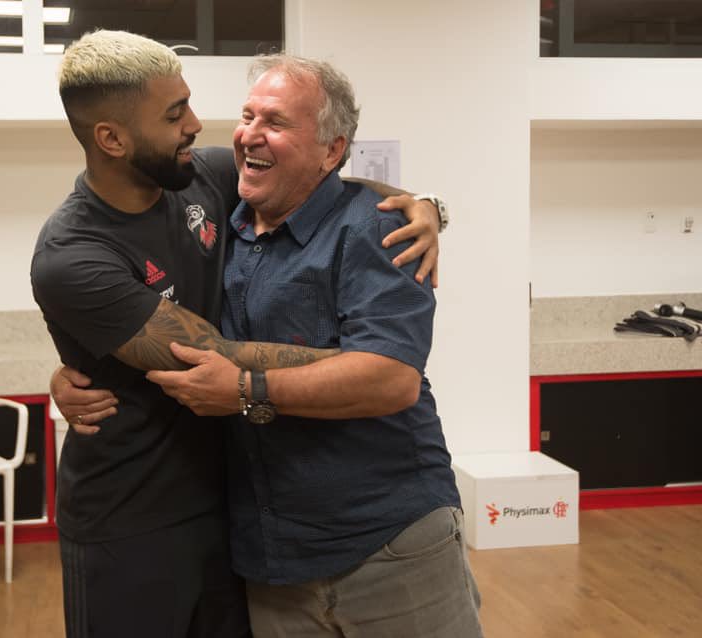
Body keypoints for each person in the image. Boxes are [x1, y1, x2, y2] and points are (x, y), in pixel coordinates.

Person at [32, 30, 444, 638]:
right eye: (175, 114)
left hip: (233, 515)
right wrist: (365, 366)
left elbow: (327, 182)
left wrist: (426, 204)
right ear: (112, 138)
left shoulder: (201, 176)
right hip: (129, 522)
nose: (199, 125)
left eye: (190, 104)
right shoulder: (72, 254)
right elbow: (208, 356)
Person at [142, 56, 483, 637]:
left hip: (389, 544)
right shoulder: (222, 226)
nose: (249, 134)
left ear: (331, 150)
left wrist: (245, 391)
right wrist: (75, 369)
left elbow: (391, 377)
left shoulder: (375, 229)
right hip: (273, 562)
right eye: (247, 115)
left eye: (275, 122)